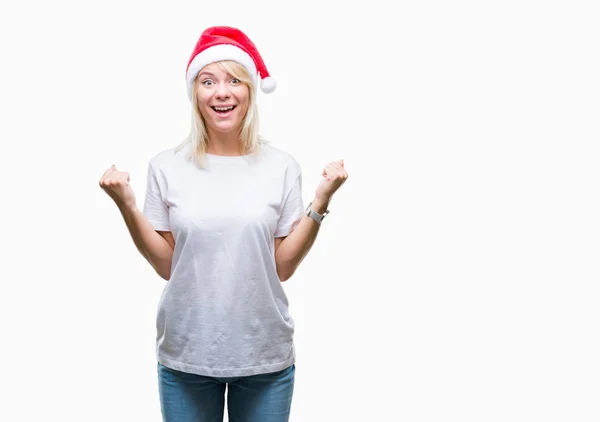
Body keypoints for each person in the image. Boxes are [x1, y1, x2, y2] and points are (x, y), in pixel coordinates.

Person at [98, 26, 348, 422]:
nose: (222, 92)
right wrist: (127, 206)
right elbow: (167, 265)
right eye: (208, 81)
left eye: (234, 80)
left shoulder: (281, 166)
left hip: (264, 355)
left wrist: (319, 203)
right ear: (194, 93)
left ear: (250, 90)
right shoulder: (166, 166)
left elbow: (282, 266)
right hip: (186, 353)